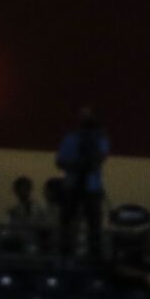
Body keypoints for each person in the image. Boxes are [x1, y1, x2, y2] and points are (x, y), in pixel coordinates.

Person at [57, 107, 109, 259]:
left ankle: (93, 254)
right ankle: (67, 252)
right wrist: (81, 165)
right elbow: (60, 162)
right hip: (74, 186)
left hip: (90, 187)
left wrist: (77, 165)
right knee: (69, 221)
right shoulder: (71, 138)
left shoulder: (100, 139)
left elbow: (98, 160)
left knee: (93, 223)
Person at [6, 176, 46, 253]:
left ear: (29, 190)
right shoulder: (16, 208)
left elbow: (35, 224)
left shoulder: (36, 207)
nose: (22, 191)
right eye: (19, 189)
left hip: (27, 244)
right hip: (16, 241)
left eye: (24, 188)